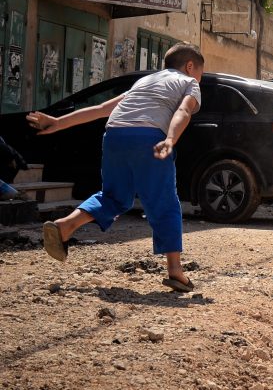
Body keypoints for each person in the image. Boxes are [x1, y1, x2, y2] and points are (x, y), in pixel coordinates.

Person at [26, 43, 204, 292]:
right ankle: (175, 270)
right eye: (200, 73)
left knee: (114, 197)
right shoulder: (188, 82)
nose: (200, 79)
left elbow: (101, 110)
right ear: (189, 66)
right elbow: (184, 110)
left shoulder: (144, 82)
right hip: (148, 136)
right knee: (164, 201)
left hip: (114, 134)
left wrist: (57, 122)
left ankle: (65, 225)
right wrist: (171, 139)